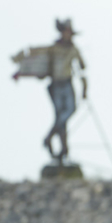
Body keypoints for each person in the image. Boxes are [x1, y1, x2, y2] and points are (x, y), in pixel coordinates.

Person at [43, 19, 88, 163]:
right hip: (56, 85)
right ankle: (62, 148)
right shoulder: (53, 49)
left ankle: (51, 139)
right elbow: (45, 67)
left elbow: (82, 67)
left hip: (67, 84)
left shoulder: (73, 50)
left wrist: (84, 88)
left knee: (69, 110)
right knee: (61, 117)